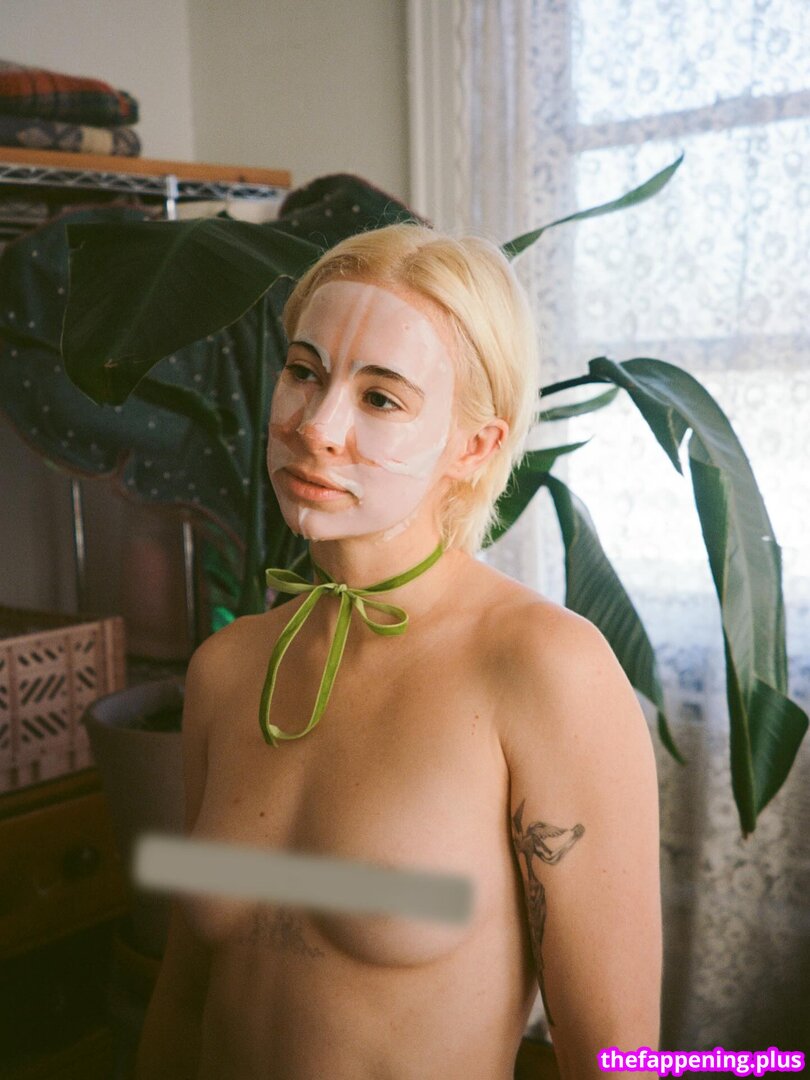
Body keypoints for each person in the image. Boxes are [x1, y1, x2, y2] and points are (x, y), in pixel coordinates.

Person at [134, 223, 661, 1079]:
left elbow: (615, 1056)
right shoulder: (227, 669)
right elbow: (184, 997)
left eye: (381, 399)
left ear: (475, 447)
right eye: (304, 372)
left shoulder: (543, 670)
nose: (316, 427)